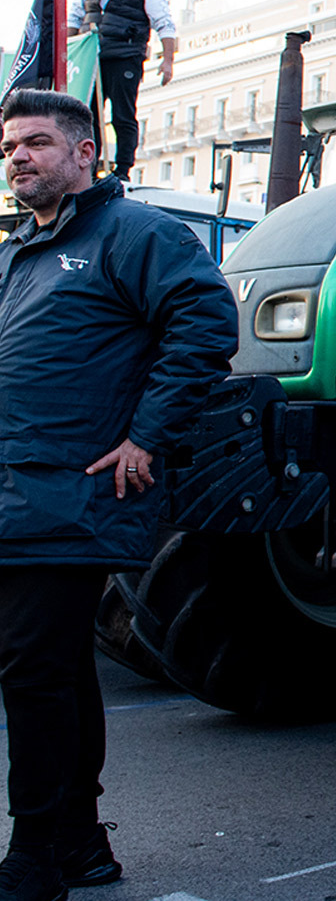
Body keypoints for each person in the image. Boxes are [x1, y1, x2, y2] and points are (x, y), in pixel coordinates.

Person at [0, 89, 235, 901]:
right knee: (56, 667)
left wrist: (149, 434)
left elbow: (206, 323)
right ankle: (78, 844)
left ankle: (32, 857)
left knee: (33, 672)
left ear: (84, 153)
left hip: (77, 491)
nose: (18, 157)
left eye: (35, 143)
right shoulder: (17, 252)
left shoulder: (134, 235)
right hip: (18, 491)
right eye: (10, 147)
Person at [65, 0, 176, 183]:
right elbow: (75, 14)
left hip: (125, 57)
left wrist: (167, 61)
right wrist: (66, 51)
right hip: (91, 56)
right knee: (87, 114)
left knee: (122, 114)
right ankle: (89, 167)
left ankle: (123, 168)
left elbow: (165, 25)